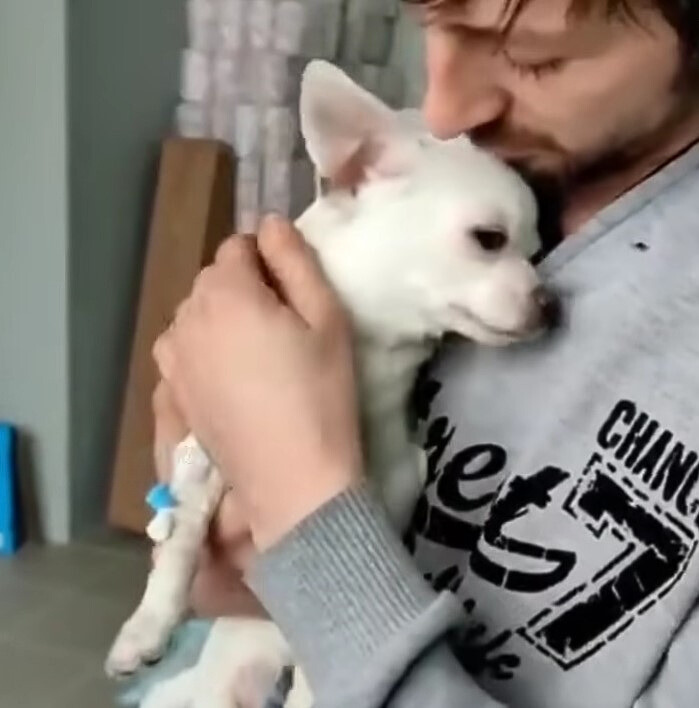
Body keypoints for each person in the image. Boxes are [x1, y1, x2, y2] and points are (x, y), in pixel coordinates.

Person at [152, 0, 699, 705]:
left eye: (534, 56)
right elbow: (220, 573)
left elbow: (292, 532)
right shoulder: (482, 169)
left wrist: (301, 516)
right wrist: (189, 489)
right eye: (429, 24)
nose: (440, 109)